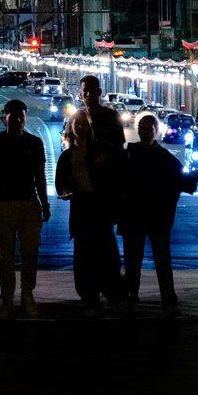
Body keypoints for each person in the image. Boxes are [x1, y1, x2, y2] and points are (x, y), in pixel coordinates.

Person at [0, 100, 50, 319]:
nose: (17, 120)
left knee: (30, 253)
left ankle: (27, 295)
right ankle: (7, 299)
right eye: (12, 116)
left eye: (21, 117)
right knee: (5, 257)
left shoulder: (35, 143)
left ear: (26, 118)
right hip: (3, 204)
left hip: (29, 204)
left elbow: (40, 177)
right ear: (4, 118)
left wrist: (44, 204)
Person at [121, 113, 196, 316]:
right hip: (155, 214)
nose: (145, 132)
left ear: (155, 131)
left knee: (135, 259)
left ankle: (133, 297)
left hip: (137, 214)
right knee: (156, 259)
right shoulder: (163, 157)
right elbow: (184, 181)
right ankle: (165, 300)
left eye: (148, 128)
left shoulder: (131, 154)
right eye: (143, 128)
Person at [54, 109, 119, 314]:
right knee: (83, 256)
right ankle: (90, 298)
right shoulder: (67, 155)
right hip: (81, 206)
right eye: (77, 124)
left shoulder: (101, 149)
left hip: (99, 206)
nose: (80, 127)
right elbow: (59, 184)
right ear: (71, 128)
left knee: (106, 254)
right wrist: (67, 190)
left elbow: (113, 174)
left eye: (84, 124)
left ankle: (112, 293)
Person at [74, 75, 126, 305]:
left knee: (105, 243)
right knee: (84, 245)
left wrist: (108, 152)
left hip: (105, 190)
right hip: (83, 193)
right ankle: (88, 293)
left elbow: (121, 147)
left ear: (99, 91)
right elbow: (70, 148)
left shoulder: (111, 116)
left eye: (92, 90)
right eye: (84, 90)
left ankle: (111, 288)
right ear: (80, 92)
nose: (88, 94)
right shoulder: (77, 117)